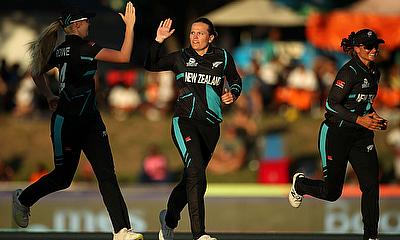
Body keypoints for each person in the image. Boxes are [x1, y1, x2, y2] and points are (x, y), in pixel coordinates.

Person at [11, 2, 144, 240]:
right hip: (69, 123)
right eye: (87, 21)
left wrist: (49, 95)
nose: (89, 24)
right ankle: (23, 199)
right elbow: (124, 56)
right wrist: (130, 27)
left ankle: (122, 231)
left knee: (105, 174)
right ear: (78, 24)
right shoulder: (85, 47)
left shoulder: (61, 49)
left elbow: (35, 71)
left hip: (87, 122)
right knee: (64, 178)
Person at [144, 18, 242, 240]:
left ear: (211, 37)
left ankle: (169, 218)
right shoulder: (180, 57)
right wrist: (158, 40)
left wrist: (232, 93)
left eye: (200, 33)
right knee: (197, 173)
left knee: (193, 175)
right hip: (184, 121)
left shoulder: (222, 57)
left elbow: (236, 80)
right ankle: (200, 234)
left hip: (211, 125)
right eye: (192, 33)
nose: (195, 37)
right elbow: (151, 64)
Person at [288, 29, 388, 240]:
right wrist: (360, 119)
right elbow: (331, 104)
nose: (373, 50)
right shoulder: (349, 72)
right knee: (332, 193)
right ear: (358, 49)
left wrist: (374, 118)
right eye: (368, 47)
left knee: (371, 185)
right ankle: (301, 184)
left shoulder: (374, 72)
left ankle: (371, 236)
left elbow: (365, 104)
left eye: (376, 46)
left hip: (361, 136)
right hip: (336, 134)